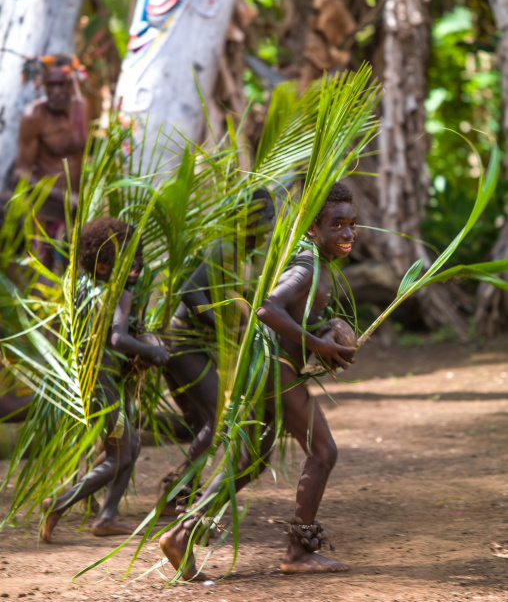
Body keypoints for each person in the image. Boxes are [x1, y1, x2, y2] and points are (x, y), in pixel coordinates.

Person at [159, 181, 358, 579]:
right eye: (336, 225)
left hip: (267, 368)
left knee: (251, 461)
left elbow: (294, 321)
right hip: (274, 370)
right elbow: (267, 310)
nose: (347, 233)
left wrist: (326, 336)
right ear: (312, 229)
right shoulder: (306, 266)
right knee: (323, 452)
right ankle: (298, 552)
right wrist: (317, 345)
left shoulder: (317, 265)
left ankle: (181, 534)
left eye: (352, 224)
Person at [41, 216, 170, 542]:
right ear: (103, 265)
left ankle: (106, 515)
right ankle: (61, 504)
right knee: (121, 455)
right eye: (127, 259)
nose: (137, 265)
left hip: (87, 382)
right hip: (103, 383)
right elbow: (118, 340)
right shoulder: (119, 296)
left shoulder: (81, 287)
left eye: (136, 257)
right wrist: (153, 352)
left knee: (130, 446)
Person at [160, 189, 275, 510]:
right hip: (185, 344)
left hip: (195, 347)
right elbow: (190, 294)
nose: (270, 227)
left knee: (201, 421)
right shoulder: (225, 249)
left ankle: (176, 490)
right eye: (266, 219)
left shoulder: (243, 257)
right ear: (251, 221)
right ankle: (176, 493)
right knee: (218, 418)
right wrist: (224, 331)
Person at [12, 54, 89, 270]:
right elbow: (21, 173)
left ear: (72, 84)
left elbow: (86, 154)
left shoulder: (82, 110)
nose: (56, 92)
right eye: (51, 85)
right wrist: (64, 196)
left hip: (75, 211)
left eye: (62, 85)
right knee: (44, 275)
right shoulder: (34, 116)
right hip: (45, 212)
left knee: (74, 270)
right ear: (43, 85)